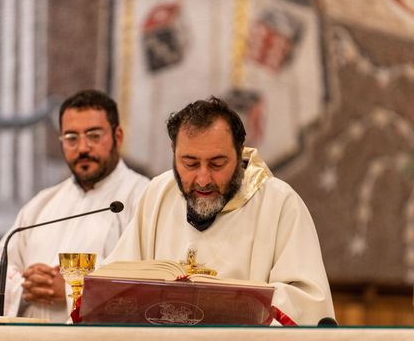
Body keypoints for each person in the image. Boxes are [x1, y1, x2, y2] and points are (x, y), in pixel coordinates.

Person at [104, 96, 334, 325]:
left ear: (240, 152)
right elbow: (116, 286)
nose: (203, 179)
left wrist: (224, 307)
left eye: (217, 163)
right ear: (174, 154)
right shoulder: (158, 193)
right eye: (190, 164)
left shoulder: (280, 203)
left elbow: (306, 302)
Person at [0, 89, 149, 322]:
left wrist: (71, 290)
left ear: (118, 136)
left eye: (94, 136)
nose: (83, 148)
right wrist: (27, 284)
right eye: (71, 138)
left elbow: (151, 282)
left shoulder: (144, 197)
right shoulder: (43, 203)